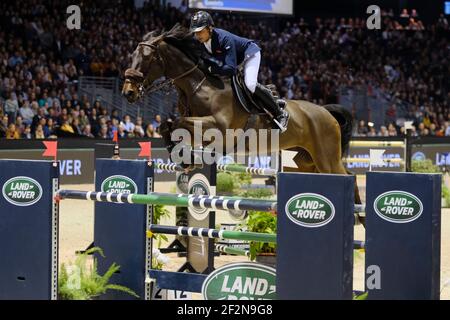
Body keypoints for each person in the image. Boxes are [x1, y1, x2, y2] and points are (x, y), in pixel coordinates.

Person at [190, 11, 289, 131]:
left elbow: (231, 69)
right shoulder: (202, 42)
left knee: (250, 84)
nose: (197, 35)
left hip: (250, 54)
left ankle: (280, 113)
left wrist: (210, 68)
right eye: (195, 32)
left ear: (210, 28)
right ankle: (272, 100)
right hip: (236, 60)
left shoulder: (223, 38)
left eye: (200, 31)